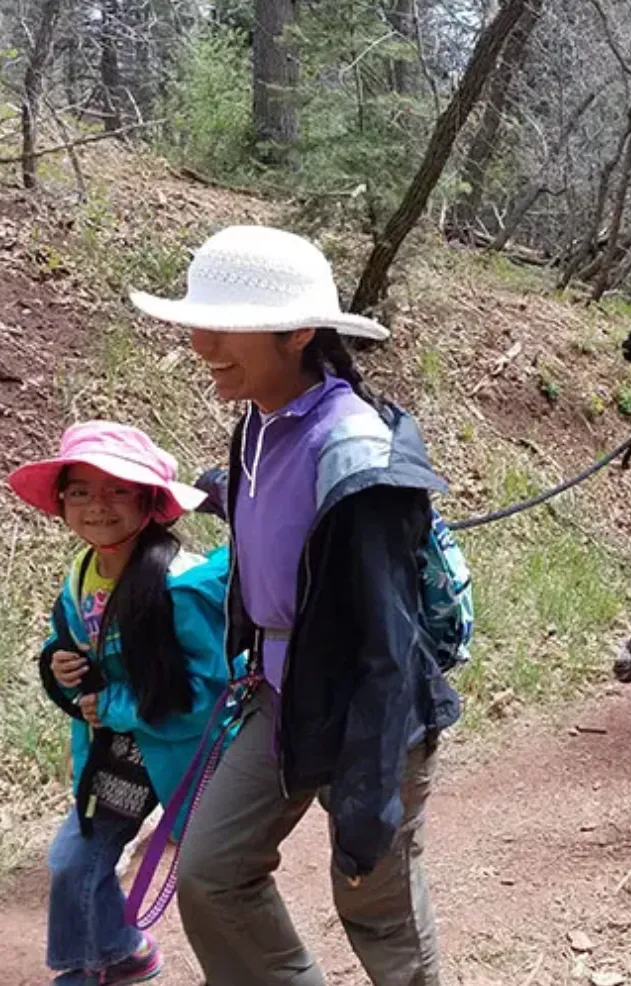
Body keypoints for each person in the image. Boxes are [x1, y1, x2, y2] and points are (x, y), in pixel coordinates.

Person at [130, 224, 460, 986]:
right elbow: (272, 514)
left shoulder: (352, 453)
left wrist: (372, 800)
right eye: (196, 323)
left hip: (368, 715)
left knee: (377, 910)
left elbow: (387, 644)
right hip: (282, 693)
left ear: (299, 333)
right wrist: (203, 492)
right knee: (212, 872)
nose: (200, 342)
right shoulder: (259, 420)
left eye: (224, 328)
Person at [8, 421, 235, 986]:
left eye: (117, 490)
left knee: (217, 882)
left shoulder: (181, 586)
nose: (96, 506)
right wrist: (58, 665)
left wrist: (111, 706)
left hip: (186, 755)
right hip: (119, 753)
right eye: (80, 491)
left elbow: (205, 690)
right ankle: (106, 958)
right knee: (74, 860)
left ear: (150, 501)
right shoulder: (82, 574)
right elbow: (71, 645)